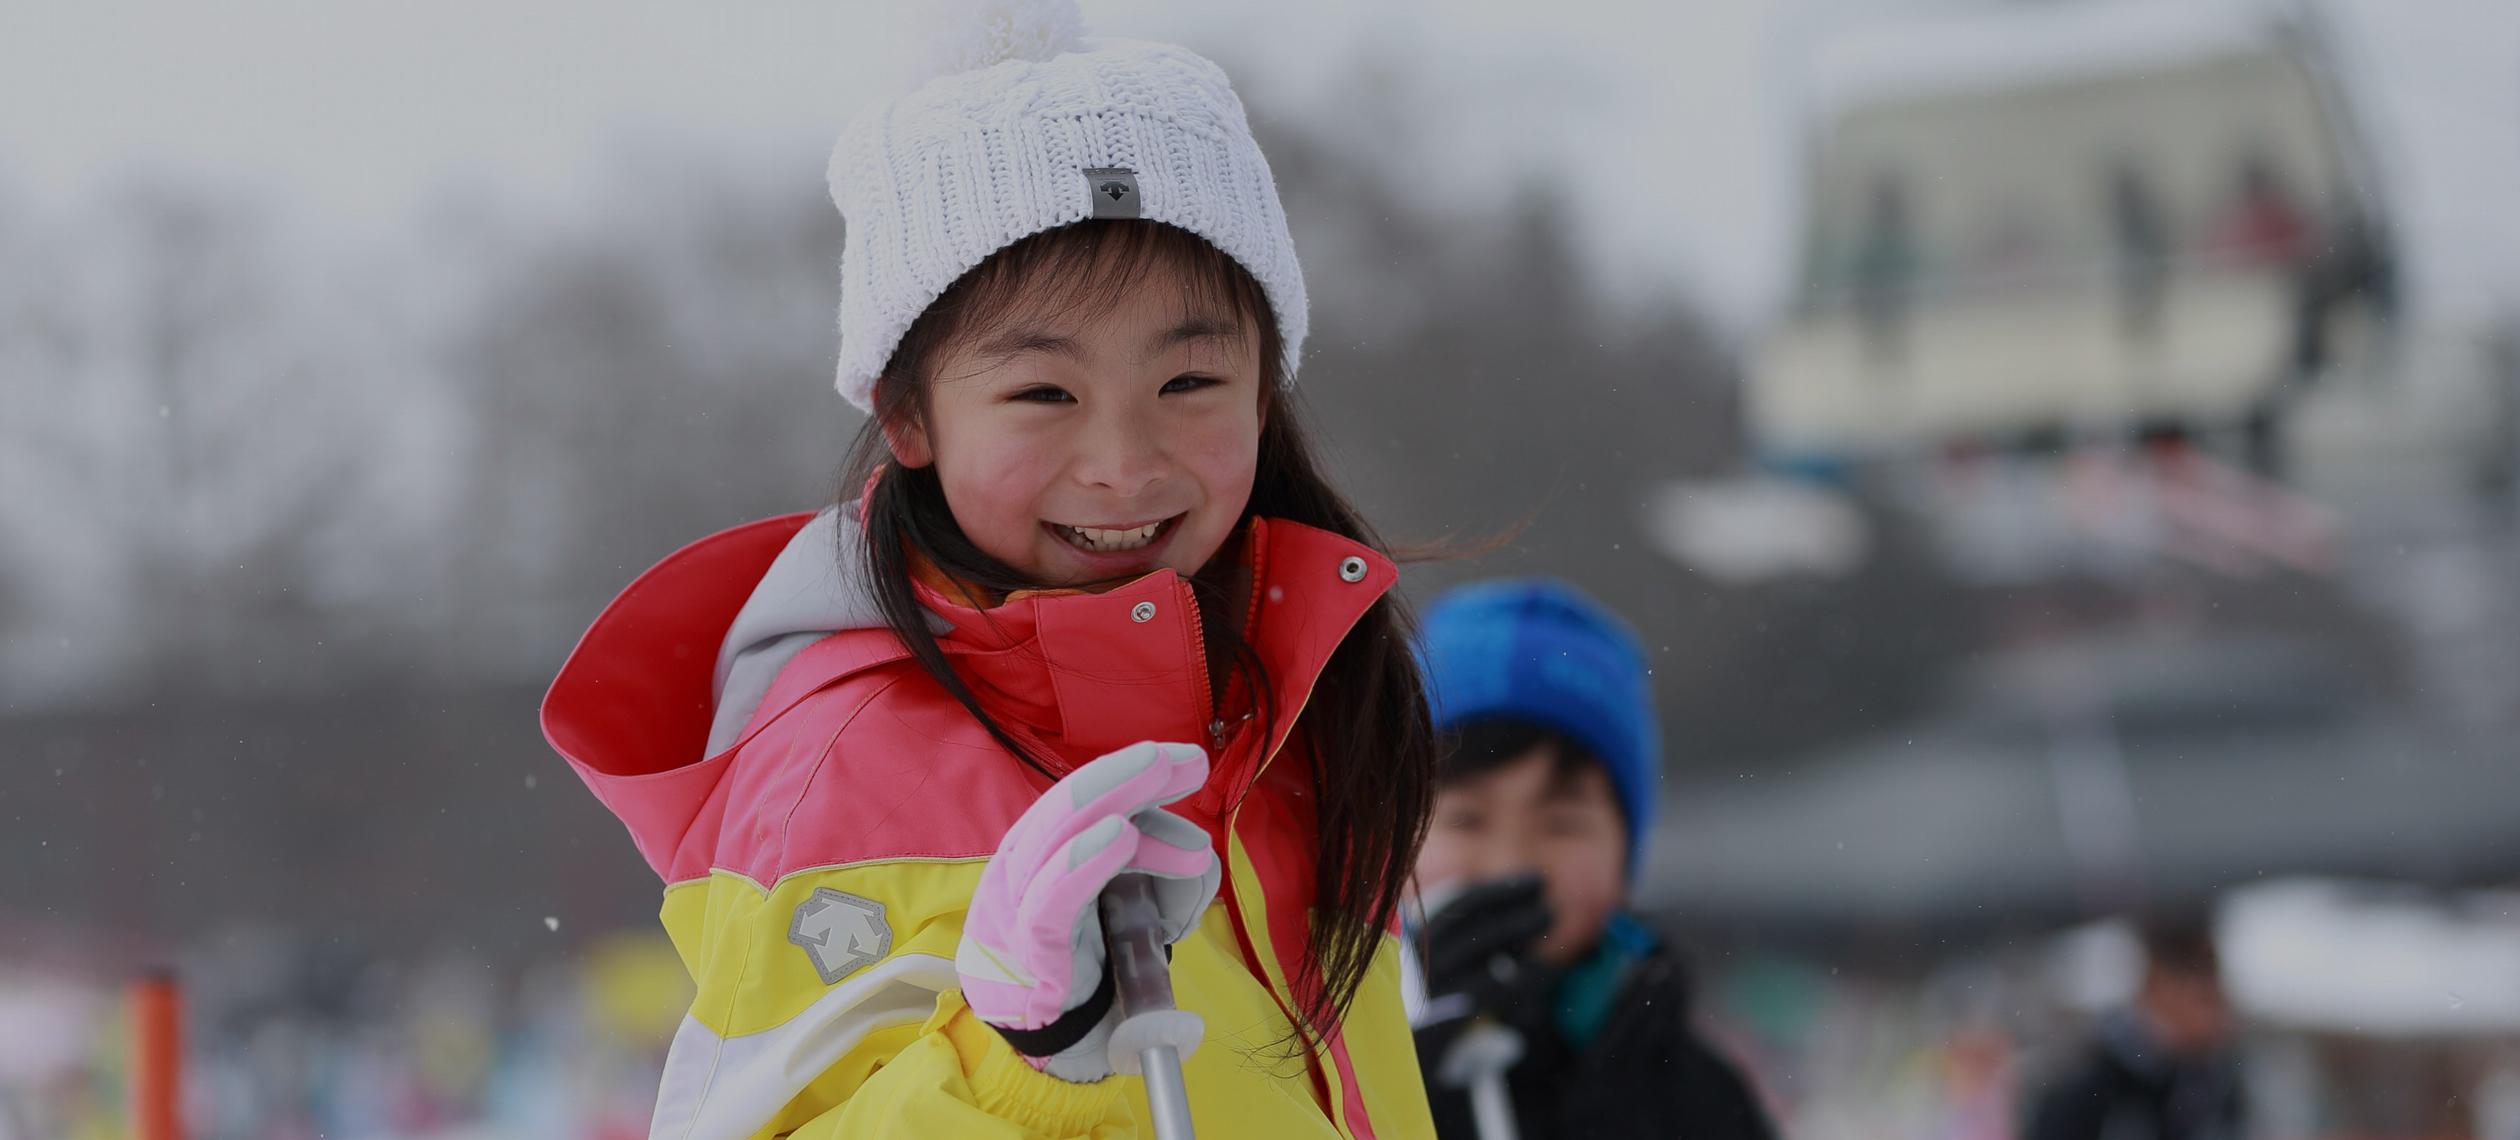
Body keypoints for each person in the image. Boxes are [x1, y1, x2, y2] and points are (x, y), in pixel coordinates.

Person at [541, 3, 1443, 1134]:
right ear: (911, 414)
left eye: (1188, 384)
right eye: (1042, 394)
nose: (1122, 465)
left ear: (1265, 386)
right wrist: (1024, 1059)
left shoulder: (1298, 712)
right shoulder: (842, 769)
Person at [1407, 579, 1776, 1140]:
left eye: (1562, 824)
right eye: (1467, 819)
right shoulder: (1305, 1053)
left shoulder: (1693, 1091)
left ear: (1625, 855)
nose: (1511, 864)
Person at [2023, 916, 2246, 1140]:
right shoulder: (2090, 1090)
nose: (2219, 1013)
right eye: (2203, 997)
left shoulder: (2216, 1085)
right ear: (2156, 984)